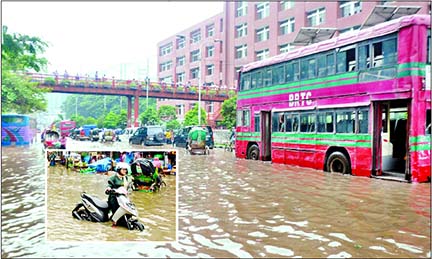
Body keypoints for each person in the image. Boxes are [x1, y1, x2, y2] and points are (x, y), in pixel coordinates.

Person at [105, 162, 132, 227]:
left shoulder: (125, 178)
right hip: (114, 197)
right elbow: (109, 185)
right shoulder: (113, 178)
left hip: (123, 198)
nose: (125, 171)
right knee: (115, 210)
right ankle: (114, 223)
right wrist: (109, 188)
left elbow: (128, 187)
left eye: (125, 170)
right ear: (119, 170)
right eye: (123, 169)